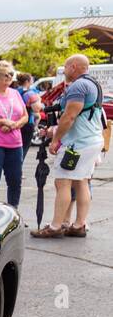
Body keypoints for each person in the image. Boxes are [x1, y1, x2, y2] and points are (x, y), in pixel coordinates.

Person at [32, 54, 103, 238]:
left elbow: (70, 116)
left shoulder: (79, 86)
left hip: (77, 144)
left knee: (62, 181)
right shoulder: (93, 84)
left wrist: (56, 139)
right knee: (82, 182)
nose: (64, 71)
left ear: (73, 66)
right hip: (92, 140)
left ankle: (56, 227)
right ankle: (79, 224)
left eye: (65, 67)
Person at [0, 60, 26, 209]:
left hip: (15, 143)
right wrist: (2, 121)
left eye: (11, 75)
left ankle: (13, 211)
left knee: (15, 180)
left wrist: (15, 124)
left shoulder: (15, 93)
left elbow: (25, 116)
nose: (9, 78)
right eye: (5, 75)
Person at [15, 73, 42, 155]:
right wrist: (39, 99)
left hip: (15, 123)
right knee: (23, 149)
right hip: (26, 123)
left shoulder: (14, 91)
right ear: (27, 81)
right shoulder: (30, 93)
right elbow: (37, 109)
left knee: (15, 149)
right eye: (32, 80)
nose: (32, 81)